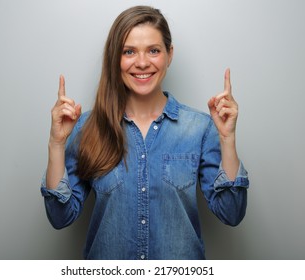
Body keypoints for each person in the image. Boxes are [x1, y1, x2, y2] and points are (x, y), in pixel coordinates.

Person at [40, 5, 249, 260]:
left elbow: (231, 212)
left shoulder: (200, 128)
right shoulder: (86, 127)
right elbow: (60, 217)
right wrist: (56, 144)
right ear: (115, 57)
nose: (141, 63)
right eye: (129, 51)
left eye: (153, 50)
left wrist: (227, 139)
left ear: (169, 55)